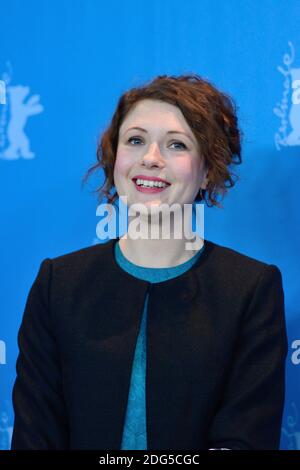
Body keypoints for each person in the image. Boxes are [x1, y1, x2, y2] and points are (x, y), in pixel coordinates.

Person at [11, 74, 288, 450]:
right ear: (114, 159)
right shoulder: (57, 283)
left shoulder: (250, 289)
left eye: (176, 144)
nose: (151, 159)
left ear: (207, 170)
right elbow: (35, 435)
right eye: (136, 140)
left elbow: (246, 438)